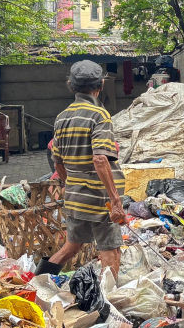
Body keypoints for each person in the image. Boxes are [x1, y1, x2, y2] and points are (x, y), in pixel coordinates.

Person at [43, 60, 126, 278]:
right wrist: (115, 200)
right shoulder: (99, 115)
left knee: (70, 247)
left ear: (71, 85)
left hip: (75, 197)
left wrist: (71, 184)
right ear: (101, 85)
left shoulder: (61, 117)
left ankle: (37, 283)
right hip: (100, 199)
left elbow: (57, 162)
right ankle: (107, 297)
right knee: (110, 250)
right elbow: (100, 159)